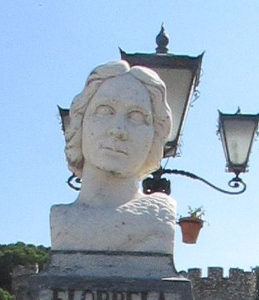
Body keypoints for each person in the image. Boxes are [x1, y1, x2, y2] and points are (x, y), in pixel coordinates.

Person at [50, 60, 176, 254]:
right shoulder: (62, 219)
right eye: (104, 111)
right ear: (80, 124)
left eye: (136, 116)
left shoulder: (159, 217)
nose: (118, 130)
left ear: (155, 136)